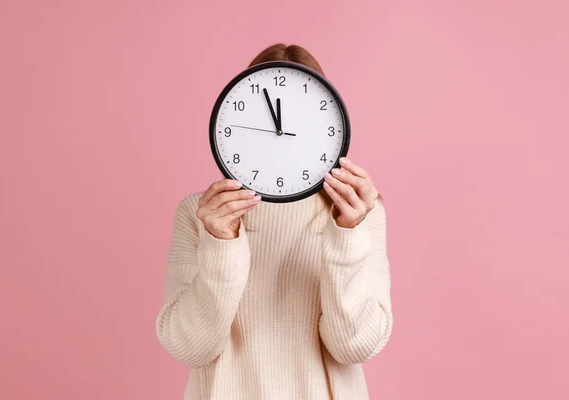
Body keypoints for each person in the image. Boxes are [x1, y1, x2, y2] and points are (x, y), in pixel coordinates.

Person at [155, 43, 393, 400]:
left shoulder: (358, 212)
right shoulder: (201, 214)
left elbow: (354, 348)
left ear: (329, 126)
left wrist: (347, 233)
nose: (281, 133)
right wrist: (220, 241)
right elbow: (191, 349)